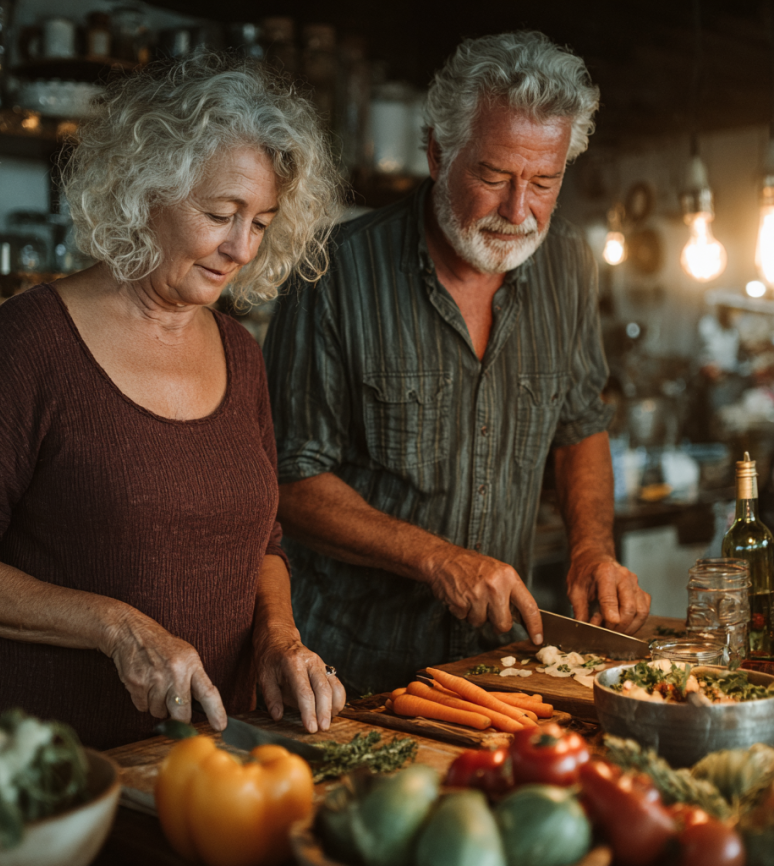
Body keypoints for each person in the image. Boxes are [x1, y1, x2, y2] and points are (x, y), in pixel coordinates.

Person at [0, 54, 346, 749]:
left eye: (261, 223)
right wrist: (118, 628)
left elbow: (261, 543)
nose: (240, 248)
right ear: (146, 191)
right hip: (45, 761)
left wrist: (279, 638)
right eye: (219, 214)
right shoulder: (31, 342)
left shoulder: (240, 353)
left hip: (205, 756)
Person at [263, 31, 651, 697]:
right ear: (438, 153)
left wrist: (592, 548)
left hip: (498, 671)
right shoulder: (330, 272)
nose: (519, 212)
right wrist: (437, 559)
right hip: (349, 674)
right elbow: (288, 481)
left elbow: (580, 426)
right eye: (494, 176)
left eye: (545, 181)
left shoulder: (568, 267)